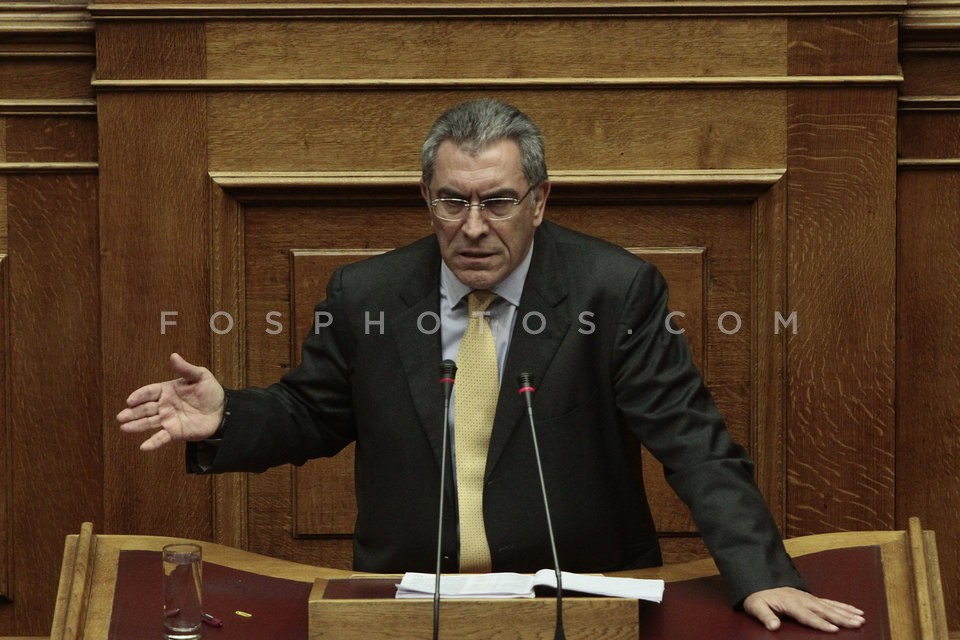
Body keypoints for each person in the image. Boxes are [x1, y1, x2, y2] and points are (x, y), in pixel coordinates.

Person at [118, 98, 865, 633]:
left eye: (498, 203)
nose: (473, 228)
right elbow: (312, 413)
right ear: (427, 198)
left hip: (579, 599)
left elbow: (692, 441)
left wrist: (761, 573)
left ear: (538, 201)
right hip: (410, 599)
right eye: (453, 202)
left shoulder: (613, 291)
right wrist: (228, 416)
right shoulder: (366, 294)